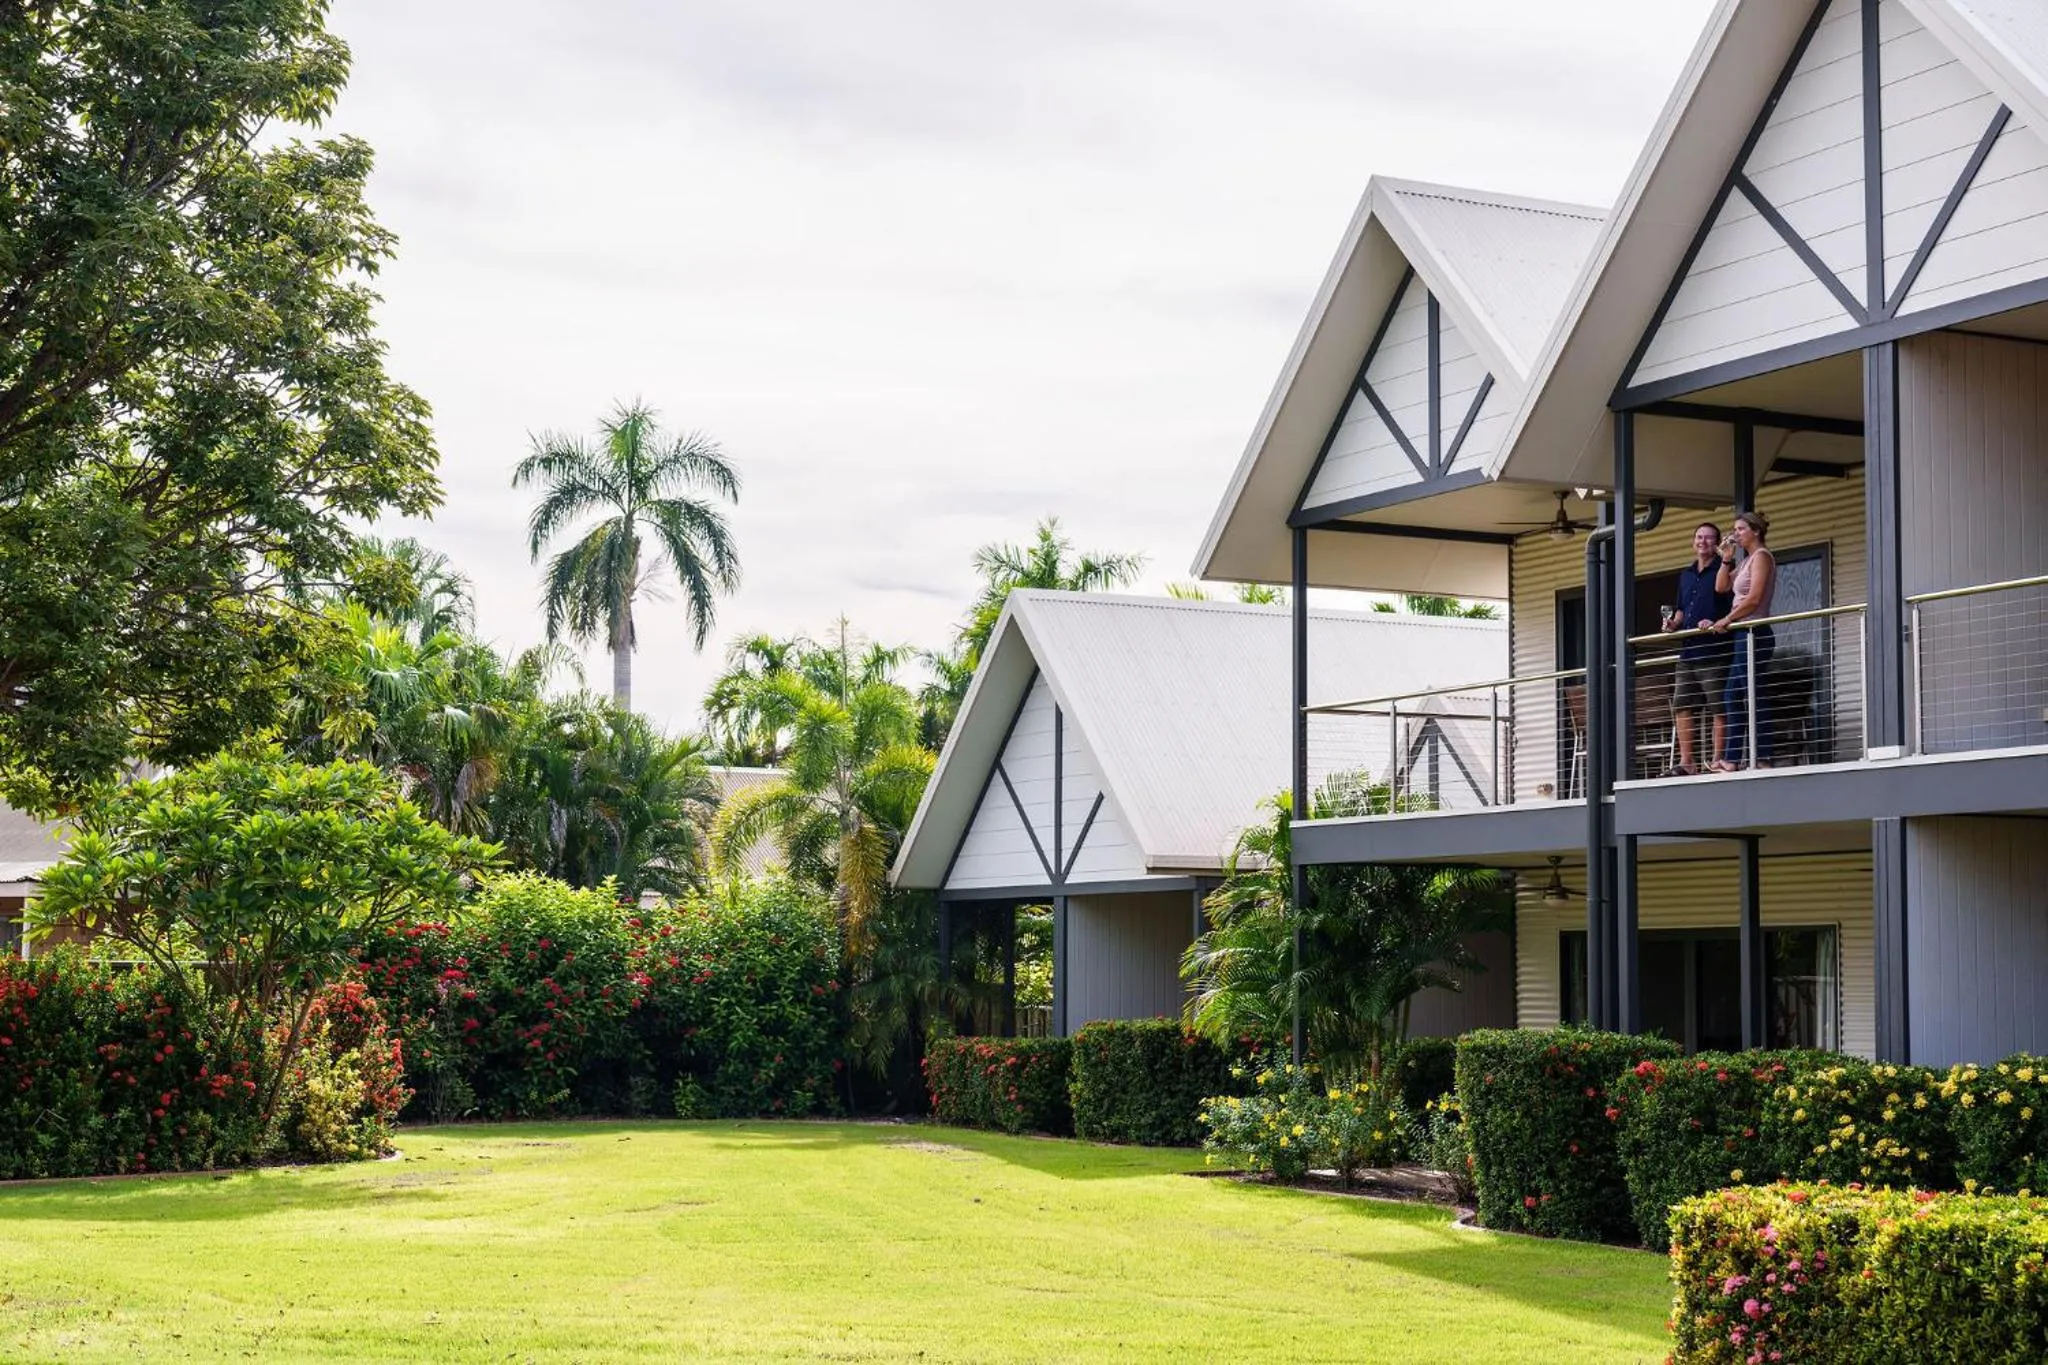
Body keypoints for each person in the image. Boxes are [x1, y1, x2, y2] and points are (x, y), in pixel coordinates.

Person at [1663, 521, 1734, 775]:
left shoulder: (1725, 569)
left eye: (1708, 538)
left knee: (1718, 705)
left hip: (1715, 649)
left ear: (1717, 544)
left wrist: (1715, 622)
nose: (1703, 542)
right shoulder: (1686, 574)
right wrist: (1674, 623)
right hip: (1689, 649)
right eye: (1699, 537)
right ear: (1693, 542)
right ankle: (1687, 762)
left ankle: (1717, 759)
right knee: (1681, 704)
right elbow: (1682, 608)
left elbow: (1733, 607)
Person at [1709, 508, 1777, 771]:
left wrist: (1727, 619)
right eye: (1735, 529)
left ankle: (1759, 757)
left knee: (1747, 693)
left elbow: (1754, 599)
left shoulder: (1761, 557)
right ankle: (1736, 758)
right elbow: (1721, 587)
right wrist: (1726, 559)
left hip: (1754, 633)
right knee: (1735, 693)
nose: (1735, 533)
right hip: (1742, 633)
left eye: (1740, 529)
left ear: (1755, 531)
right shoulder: (1747, 560)